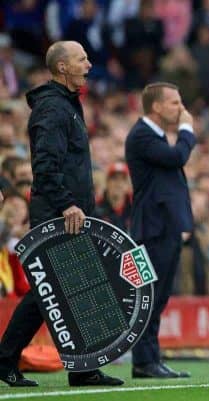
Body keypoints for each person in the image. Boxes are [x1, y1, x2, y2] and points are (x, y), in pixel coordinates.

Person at [0, 40, 123, 387]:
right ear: (62, 68)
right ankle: (7, 359)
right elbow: (45, 165)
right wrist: (67, 203)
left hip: (73, 212)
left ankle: (82, 368)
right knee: (47, 291)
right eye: (81, 59)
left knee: (73, 289)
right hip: (59, 213)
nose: (88, 64)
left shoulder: (67, 104)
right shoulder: (54, 108)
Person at [125, 82, 195, 379]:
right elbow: (177, 157)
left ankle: (151, 358)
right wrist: (188, 130)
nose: (181, 109)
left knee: (160, 295)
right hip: (153, 227)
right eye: (174, 103)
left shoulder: (153, 135)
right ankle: (143, 360)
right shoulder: (141, 135)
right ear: (156, 107)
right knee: (149, 295)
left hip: (165, 225)